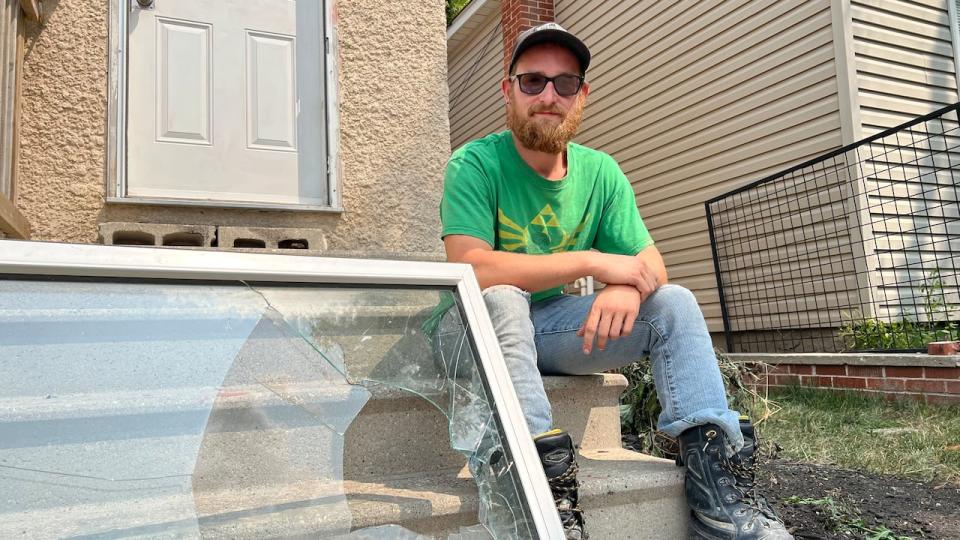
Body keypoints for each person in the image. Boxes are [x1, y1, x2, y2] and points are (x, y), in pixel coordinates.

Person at [440, 22, 794, 540]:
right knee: (501, 296)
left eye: (564, 84)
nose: (548, 95)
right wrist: (593, 262)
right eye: (532, 81)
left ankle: (720, 503)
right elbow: (472, 267)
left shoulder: (601, 172)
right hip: (471, 330)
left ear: (581, 96)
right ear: (508, 91)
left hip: (545, 330)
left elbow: (651, 263)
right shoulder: (473, 164)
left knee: (671, 302)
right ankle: (543, 502)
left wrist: (628, 286)